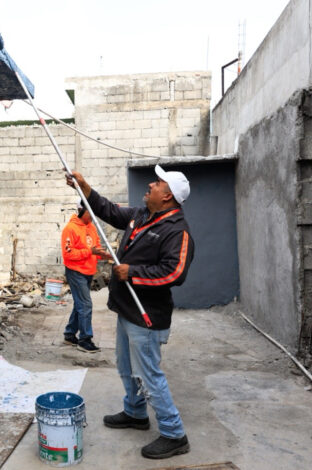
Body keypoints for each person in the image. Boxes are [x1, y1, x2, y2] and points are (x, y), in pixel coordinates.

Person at [66, 165, 195, 459]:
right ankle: (136, 413)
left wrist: (132, 272)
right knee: (126, 367)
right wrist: (83, 187)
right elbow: (108, 210)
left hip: (147, 315)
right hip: (126, 310)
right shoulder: (141, 215)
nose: (151, 184)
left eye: (158, 183)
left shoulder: (177, 231)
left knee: (149, 374)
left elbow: (174, 272)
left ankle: (174, 434)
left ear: (168, 197)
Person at [61, 199, 109, 353]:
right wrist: (90, 252)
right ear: (81, 210)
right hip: (76, 272)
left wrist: (106, 255)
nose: (93, 215)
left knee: (80, 304)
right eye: (90, 211)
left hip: (88, 272)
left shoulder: (92, 228)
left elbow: (96, 247)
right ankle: (85, 339)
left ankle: (69, 334)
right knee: (86, 305)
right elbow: (68, 254)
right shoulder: (70, 229)